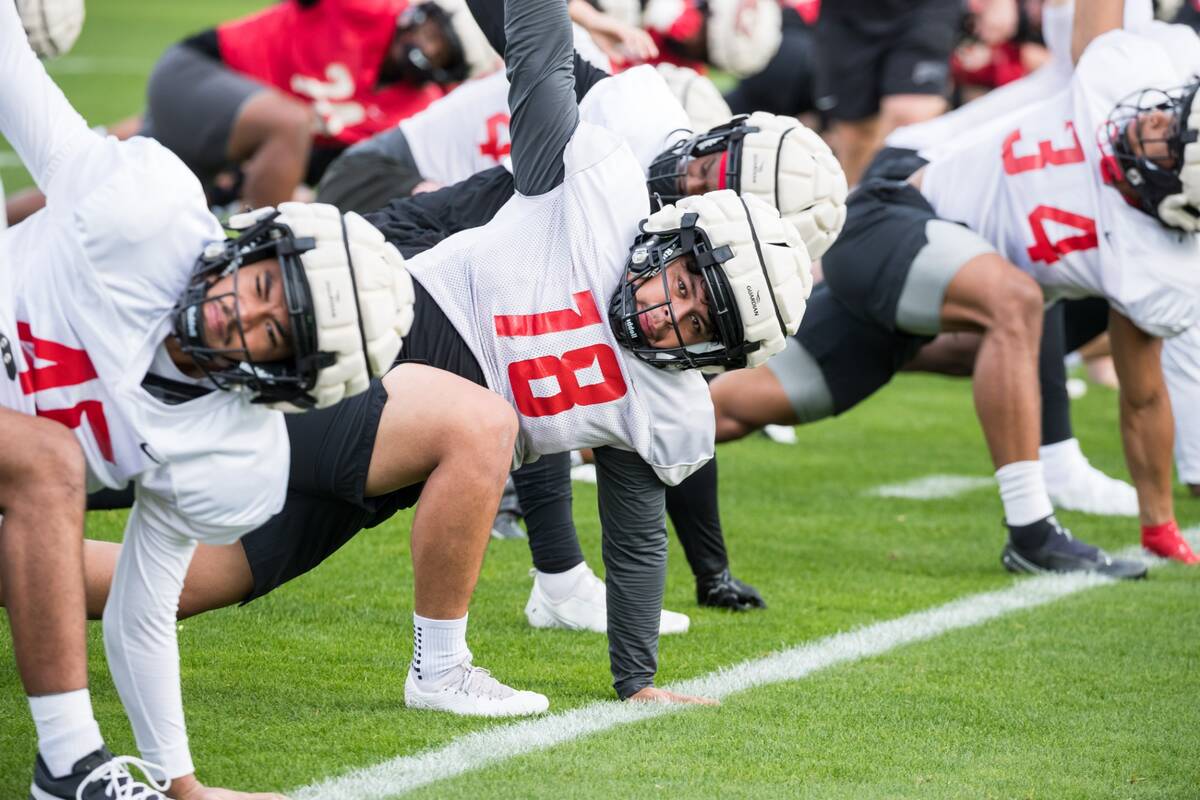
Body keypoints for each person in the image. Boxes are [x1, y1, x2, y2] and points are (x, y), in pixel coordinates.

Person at [43, 0, 814, 710]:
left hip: (408, 465)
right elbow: (538, 55)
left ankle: (25, 534)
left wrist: (637, 680)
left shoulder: (667, 406)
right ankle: (440, 668)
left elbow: (637, 532)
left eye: (697, 319)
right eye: (683, 283)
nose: (668, 310)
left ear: (719, 351)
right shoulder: (593, 193)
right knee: (148, 446)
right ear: (672, 239)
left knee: (191, 582)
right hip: (369, 354)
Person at [0, 2, 415, 795]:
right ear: (253, 244)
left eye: (274, 331)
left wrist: (180, 781)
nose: (244, 311)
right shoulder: (144, 212)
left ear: (288, 378)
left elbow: (142, 610)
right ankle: (68, 765)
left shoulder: (235, 457)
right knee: (51, 462)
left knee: (42, 490)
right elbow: (15, 81)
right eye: (263, 285)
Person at [710, 0, 1200, 573]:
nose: (1155, 119)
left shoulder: (1157, 269)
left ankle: (594, 428)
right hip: (893, 214)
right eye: (1174, 113)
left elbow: (1143, 397)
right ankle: (1033, 534)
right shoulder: (1120, 74)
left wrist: (1158, 526)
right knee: (1020, 302)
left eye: (1171, 138)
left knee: (732, 407)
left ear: (1176, 192)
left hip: (939, 284)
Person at [140, 0, 496, 210]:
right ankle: (252, 250)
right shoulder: (369, 9)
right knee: (291, 123)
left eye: (442, 51)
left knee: (142, 189)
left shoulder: (416, 110)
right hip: (197, 75)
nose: (427, 48)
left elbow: (332, 168)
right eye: (431, 34)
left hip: (230, 144)